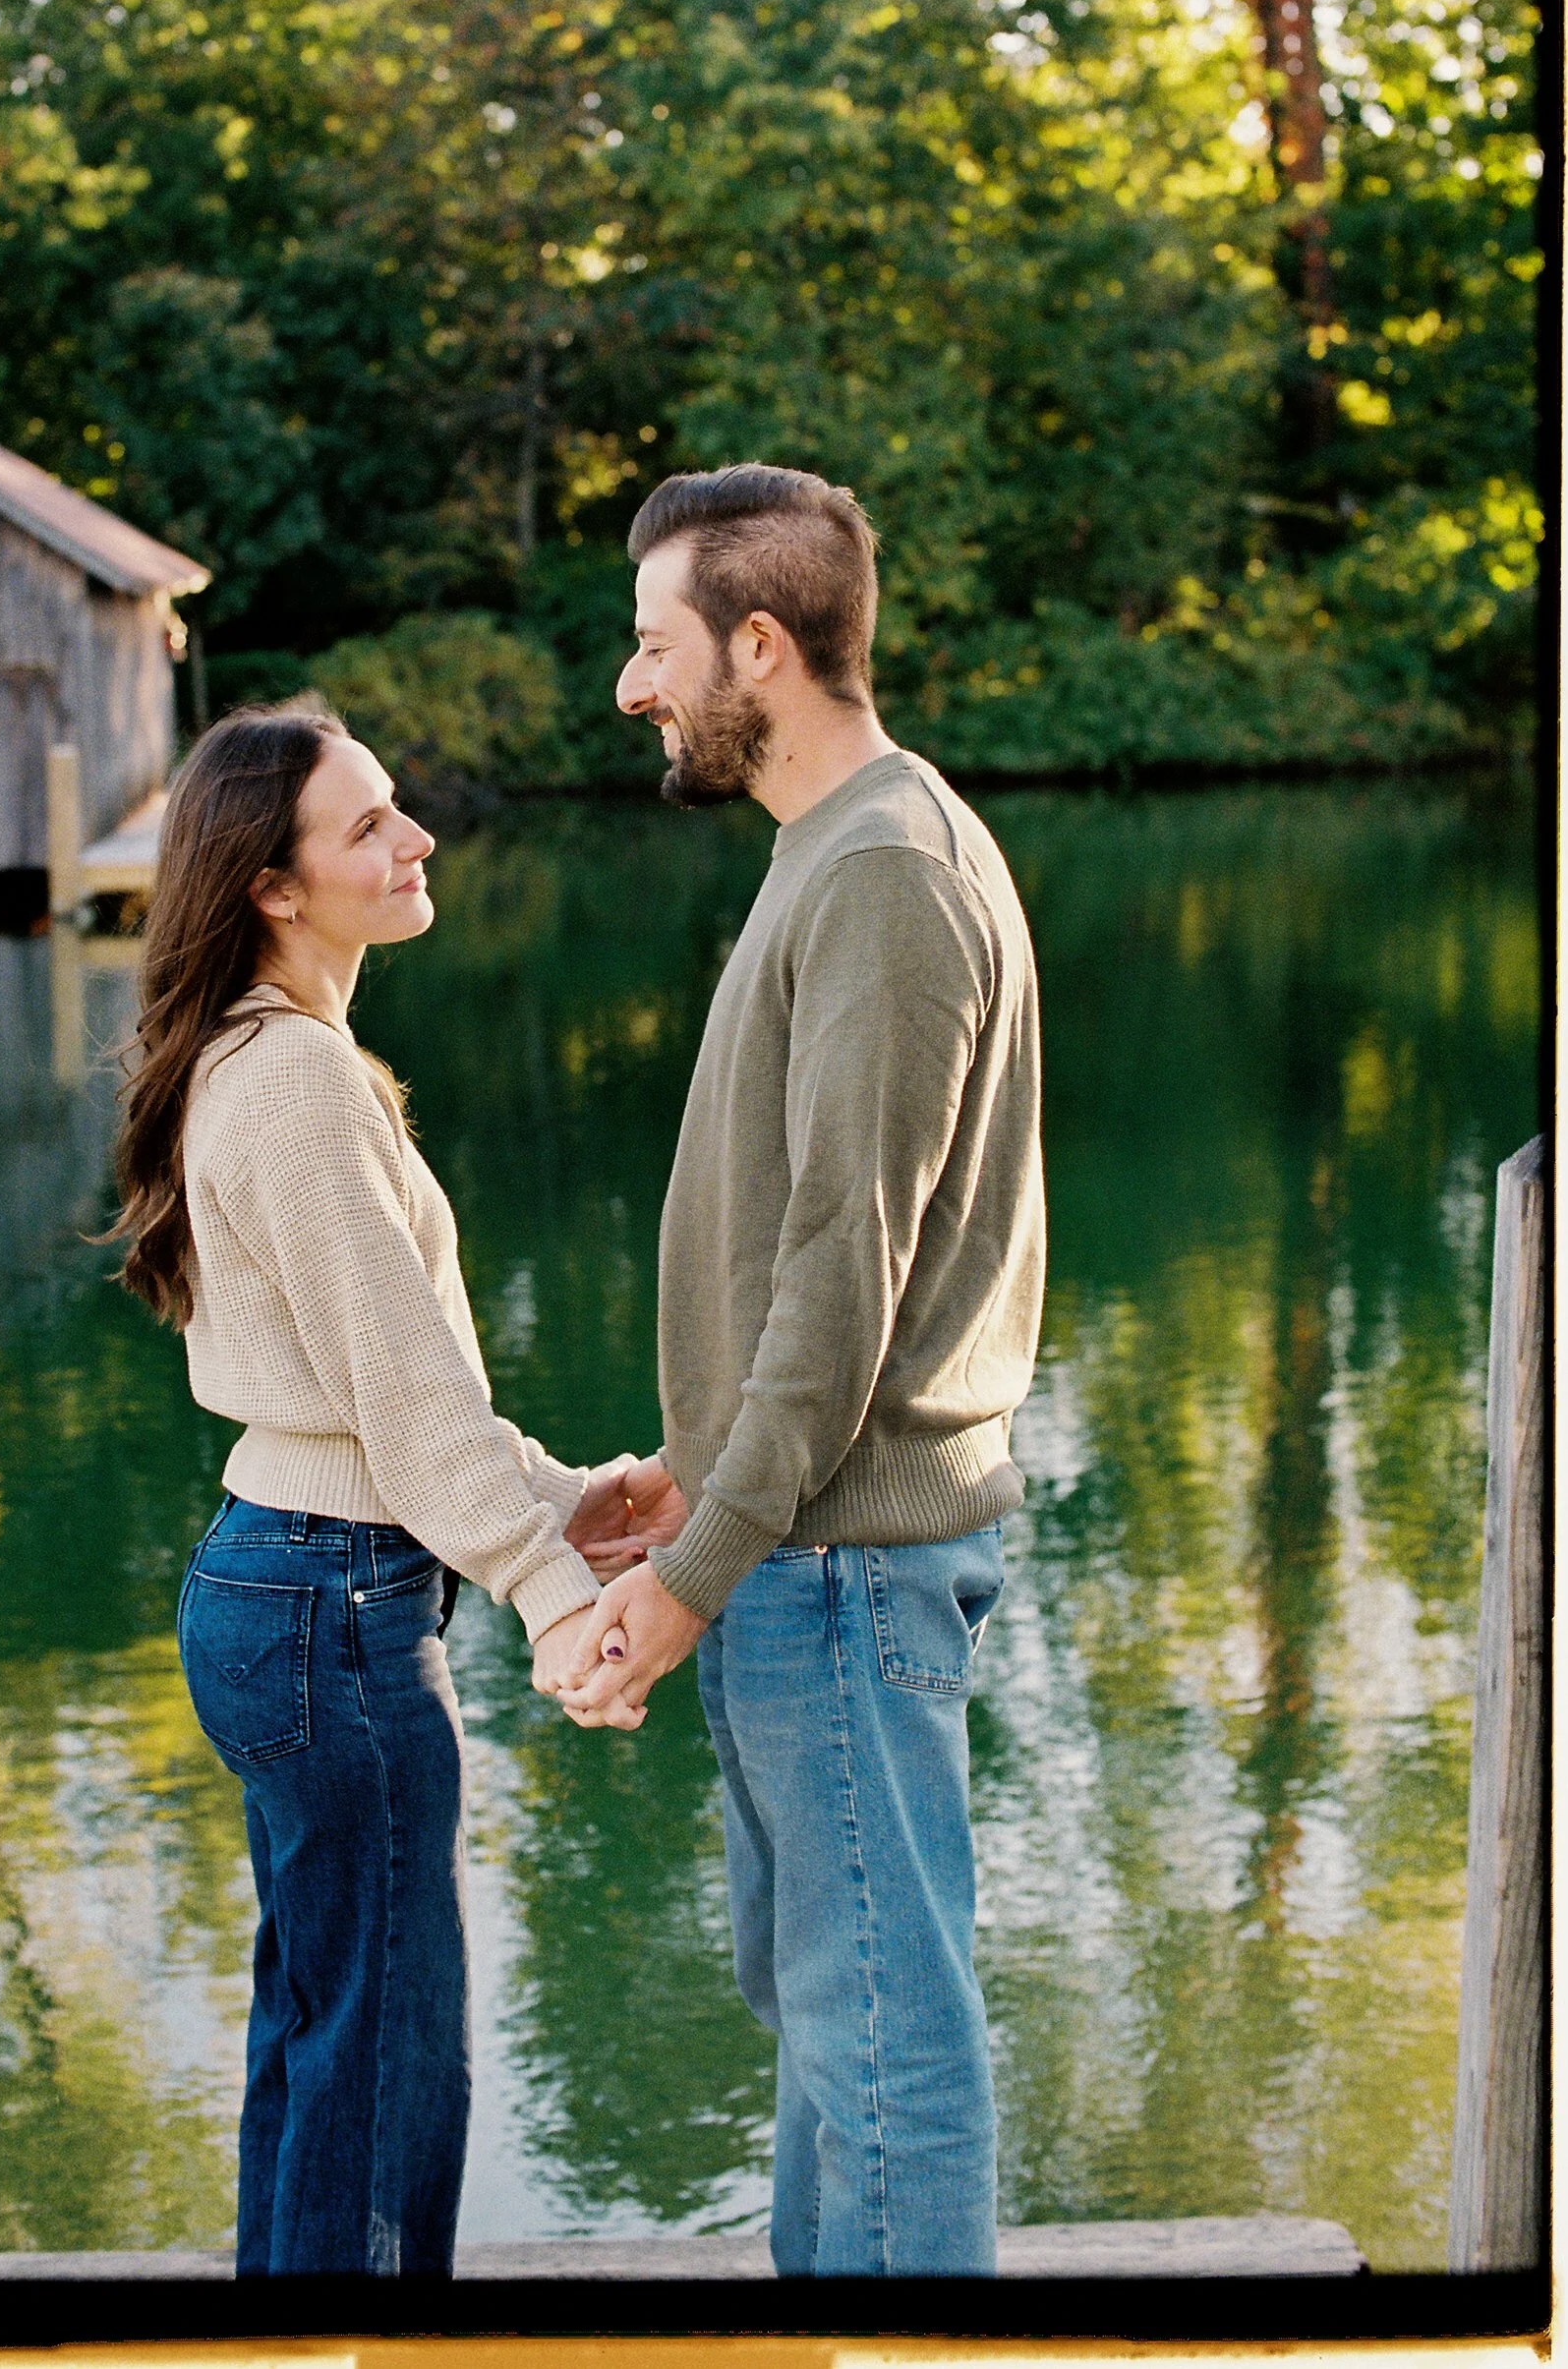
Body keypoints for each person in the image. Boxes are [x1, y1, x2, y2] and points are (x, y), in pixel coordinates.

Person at [110, 698, 681, 2277]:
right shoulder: (291, 1083)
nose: (414, 834)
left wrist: (570, 1497)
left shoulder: (275, 1058)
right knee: (385, 2070)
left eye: (396, 807)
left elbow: (371, 1403)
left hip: (291, 1584)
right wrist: (559, 1595)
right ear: (272, 888)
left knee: (324, 2037)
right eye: (366, 823)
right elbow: (404, 1393)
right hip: (330, 1617)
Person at [554, 465, 1046, 2280]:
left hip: (835, 1563)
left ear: (759, 644)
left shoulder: (889, 874)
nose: (631, 685)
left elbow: (845, 1283)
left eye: (653, 643)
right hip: (794, 1542)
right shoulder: (834, 852)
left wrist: (698, 1569)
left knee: (887, 2042)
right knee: (833, 2035)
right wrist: (702, 1487)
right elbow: (804, 1261)